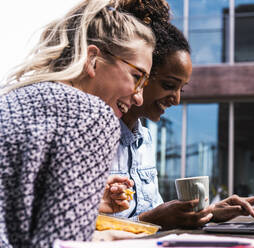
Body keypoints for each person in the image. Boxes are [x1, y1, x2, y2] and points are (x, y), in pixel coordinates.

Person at [0, 0, 155, 247]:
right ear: (93, 58)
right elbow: (57, 243)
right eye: (137, 77)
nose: (139, 98)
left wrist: (84, 202)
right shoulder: (92, 115)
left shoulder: (13, 99)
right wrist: (94, 240)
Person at [103, 17, 254, 229]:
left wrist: (209, 212)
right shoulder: (97, 135)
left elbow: (150, 212)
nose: (176, 99)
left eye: (181, 89)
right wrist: (148, 221)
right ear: (141, 74)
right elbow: (84, 226)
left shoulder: (144, 139)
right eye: (169, 85)